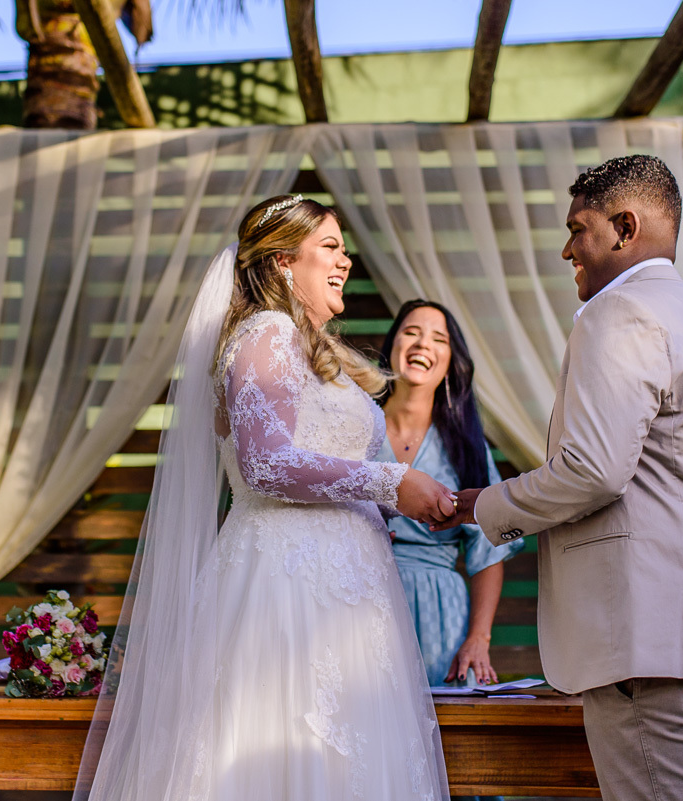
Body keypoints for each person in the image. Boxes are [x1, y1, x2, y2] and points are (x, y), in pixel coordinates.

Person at [74, 194, 454, 801]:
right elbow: (266, 464)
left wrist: (426, 496)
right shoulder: (265, 333)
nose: (345, 261)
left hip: (349, 598)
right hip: (286, 590)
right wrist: (391, 483)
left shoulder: (312, 351)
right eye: (330, 246)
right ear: (282, 260)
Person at [438, 155, 683, 801]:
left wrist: (483, 505)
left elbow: (593, 471)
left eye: (579, 227)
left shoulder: (617, 312)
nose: (566, 247)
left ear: (624, 227)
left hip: (657, 653)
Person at [377, 300, 524, 690]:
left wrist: (478, 639)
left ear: (450, 361)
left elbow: (488, 551)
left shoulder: (466, 447)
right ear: (391, 345)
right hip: (355, 597)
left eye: (438, 338)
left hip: (439, 613)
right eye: (410, 332)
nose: (422, 343)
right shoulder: (356, 425)